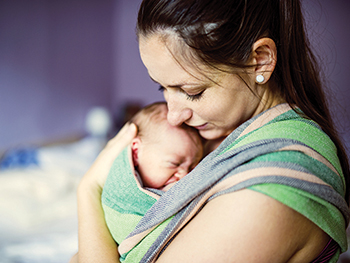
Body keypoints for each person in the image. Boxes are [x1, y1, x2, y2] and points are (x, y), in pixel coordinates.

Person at [72, 0, 350, 262]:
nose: (173, 115)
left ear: (260, 60)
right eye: (162, 88)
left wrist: (89, 189)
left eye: (192, 91)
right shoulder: (223, 137)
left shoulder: (270, 189)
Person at [101, 102, 203, 245]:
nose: (185, 175)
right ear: (136, 152)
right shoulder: (121, 187)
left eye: (192, 167)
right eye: (174, 163)